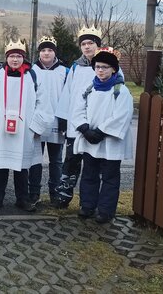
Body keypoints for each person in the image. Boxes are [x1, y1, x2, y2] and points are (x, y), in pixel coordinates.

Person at [0, 39, 51, 212]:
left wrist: (36, 126)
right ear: (6, 57)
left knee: (22, 166)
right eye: (12, 56)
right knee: (0, 166)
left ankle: (23, 199)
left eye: (18, 56)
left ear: (23, 58)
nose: (15, 60)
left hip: (25, 128)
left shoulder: (33, 76)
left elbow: (43, 102)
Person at [72, 47, 133, 224]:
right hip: (90, 139)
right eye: (98, 66)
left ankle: (105, 211)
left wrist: (100, 131)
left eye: (105, 67)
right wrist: (84, 128)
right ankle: (87, 206)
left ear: (113, 69)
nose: (100, 70)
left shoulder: (121, 91)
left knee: (110, 177)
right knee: (89, 174)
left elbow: (122, 115)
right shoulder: (89, 88)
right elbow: (78, 108)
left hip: (109, 142)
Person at [53, 27, 108, 209]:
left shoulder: (107, 65)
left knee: (94, 166)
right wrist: (63, 119)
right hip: (76, 124)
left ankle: (89, 202)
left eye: (90, 43)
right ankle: (63, 196)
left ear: (97, 45)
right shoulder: (76, 67)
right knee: (71, 162)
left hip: (96, 125)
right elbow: (67, 94)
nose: (87, 47)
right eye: (83, 44)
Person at [29, 36, 67, 206]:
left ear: (54, 53)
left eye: (50, 50)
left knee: (56, 160)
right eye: (43, 50)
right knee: (35, 158)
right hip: (37, 120)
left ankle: (55, 192)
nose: (46, 53)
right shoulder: (31, 71)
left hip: (57, 121)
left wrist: (65, 120)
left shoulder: (64, 71)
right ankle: (34, 192)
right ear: (39, 53)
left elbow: (68, 96)